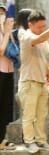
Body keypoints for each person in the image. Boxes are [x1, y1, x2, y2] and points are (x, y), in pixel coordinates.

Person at [20, 10, 49, 153]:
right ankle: (29, 141)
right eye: (39, 26)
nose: (42, 29)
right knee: (29, 115)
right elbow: (39, 39)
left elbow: (43, 59)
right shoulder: (25, 35)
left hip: (41, 82)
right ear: (30, 25)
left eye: (43, 26)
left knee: (41, 115)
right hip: (29, 81)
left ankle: (41, 140)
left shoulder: (42, 38)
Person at [0, 9, 15, 147]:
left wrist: (7, 31)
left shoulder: (5, 30)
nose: (1, 15)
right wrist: (7, 33)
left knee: (6, 106)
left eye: (2, 12)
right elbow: (1, 51)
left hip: (8, 70)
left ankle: (3, 138)